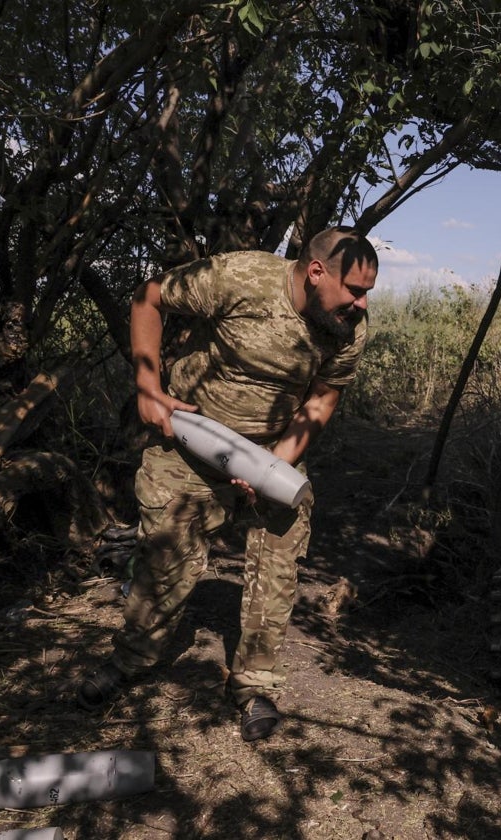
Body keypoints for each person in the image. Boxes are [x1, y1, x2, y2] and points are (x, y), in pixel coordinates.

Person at [76, 228, 378, 742]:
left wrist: (272, 465)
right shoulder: (239, 278)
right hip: (190, 447)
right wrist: (148, 385)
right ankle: (131, 660)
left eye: (368, 290)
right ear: (316, 271)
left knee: (279, 565)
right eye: (354, 288)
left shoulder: (348, 327)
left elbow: (321, 400)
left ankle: (253, 684)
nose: (362, 302)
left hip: (271, 457)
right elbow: (149, 297)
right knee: (163, 562)